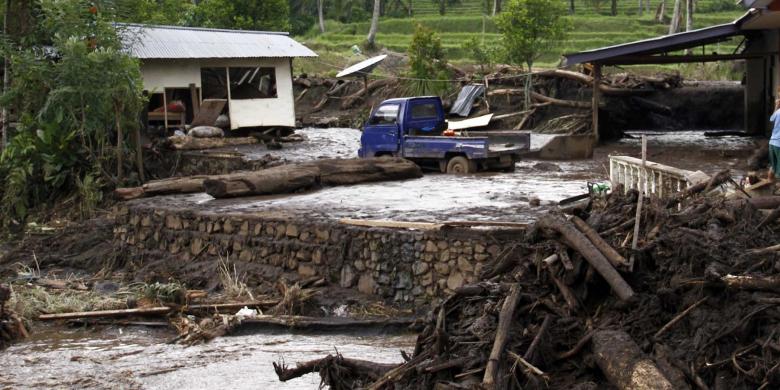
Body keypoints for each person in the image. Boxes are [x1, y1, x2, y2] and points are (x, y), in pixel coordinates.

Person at [769, 99, 780, 180]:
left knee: (773, 166)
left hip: (772, 142)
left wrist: (776, 106)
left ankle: (771, 181)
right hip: (778, 144)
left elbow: (771, 119)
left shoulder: (778, 111)